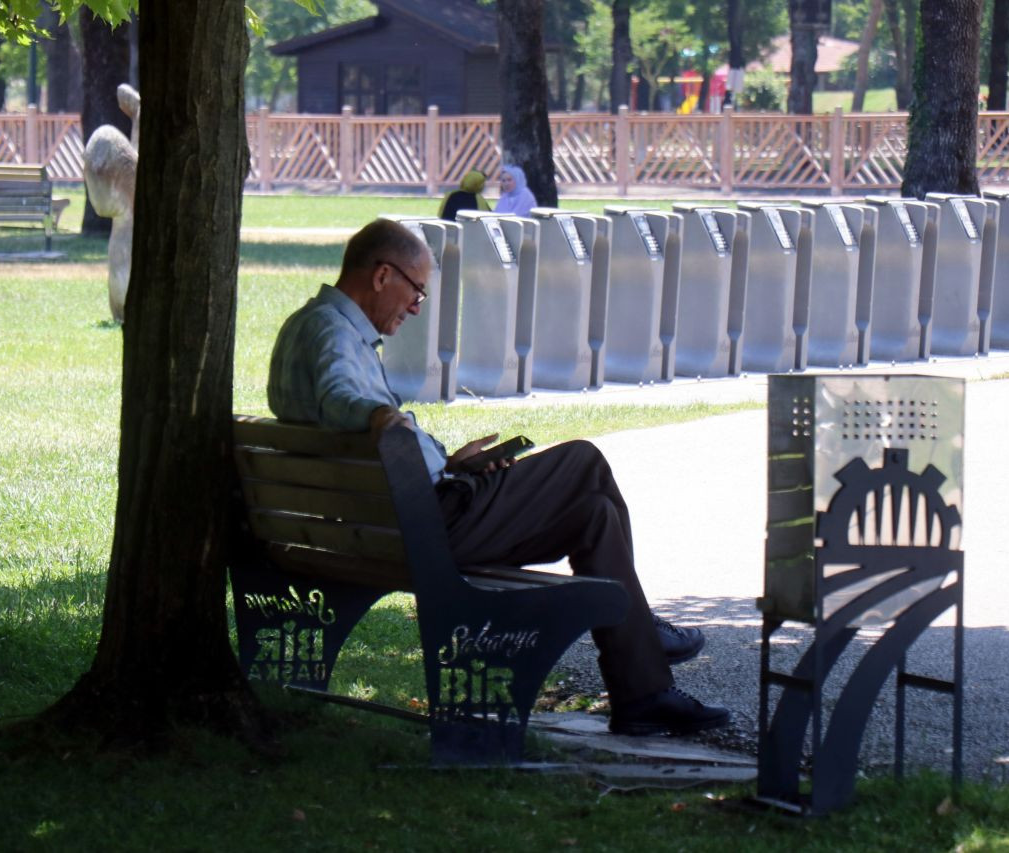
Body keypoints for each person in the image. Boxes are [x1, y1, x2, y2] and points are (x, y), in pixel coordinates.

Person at [267, 219, 731, 736]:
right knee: (583, 460)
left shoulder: (304, 325)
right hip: (421, 528)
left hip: (374, 524)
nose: (418, 306)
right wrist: (380, 419)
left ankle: (644, 694)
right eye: (416, 289)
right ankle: (642, 630)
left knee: (594, 516)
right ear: (381, 277)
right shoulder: (333, 334)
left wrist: (446, 462)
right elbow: (341, 401)